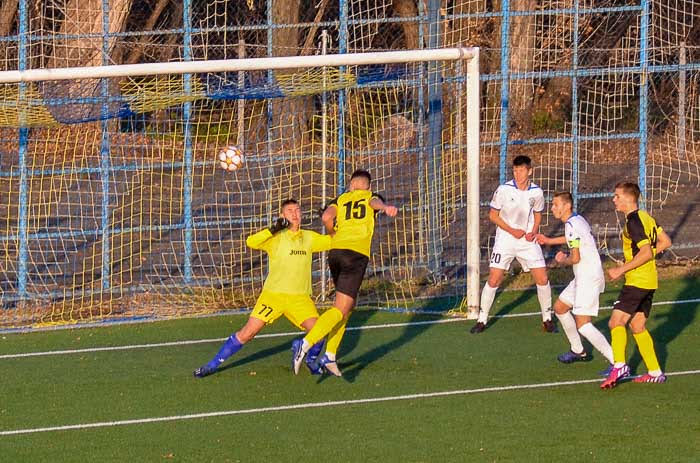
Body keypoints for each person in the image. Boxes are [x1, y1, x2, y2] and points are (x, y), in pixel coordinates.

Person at [193, 199, 330, 377]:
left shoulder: (309, 237)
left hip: (300, 298)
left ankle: (310, 361)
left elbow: (334, 241)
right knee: (247, 333)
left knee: (320, 331)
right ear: (282, 216)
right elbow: (251, 242)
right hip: (273, 297)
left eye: (297, 210)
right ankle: (211, 365)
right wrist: (273, 229)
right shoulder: (275, 238)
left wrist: (331, 221)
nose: (295, 214)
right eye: (290, 211)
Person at [290, 169, 398, 376]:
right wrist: (384, 207)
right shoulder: (370, 196)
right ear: (369, 187)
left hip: (336, 253)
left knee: (347, 308)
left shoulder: (341, 198)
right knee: (341, 308)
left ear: (350, 185)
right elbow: (373, 203)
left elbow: (326, 216)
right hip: (355, 255)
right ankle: (305, 343)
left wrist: (333, 232)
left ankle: (330, 355)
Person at [471, 155, 555, 334]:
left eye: (522, 170)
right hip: (506, 240)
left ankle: (547, 318)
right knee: (494, 278)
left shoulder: (537, 192)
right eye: (515, 170)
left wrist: (533, 230)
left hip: (527, 240)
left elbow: (538, 213)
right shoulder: (504, 189)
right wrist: (511, 230)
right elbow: (493, 215)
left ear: (530, 171)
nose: (518, 174)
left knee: (542, 278)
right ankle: (482, 319)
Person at [600, 182, 672, 388]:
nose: (614, 199)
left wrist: (622, 269)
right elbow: (665, 242)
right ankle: (655, 371)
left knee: (615, 322)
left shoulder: (633, 221)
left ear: (628, 198)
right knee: (637, 325)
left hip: (637, 280)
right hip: (650, 280)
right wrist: (636, 259)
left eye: (616, 196)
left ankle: (620, 365)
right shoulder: (647, 218)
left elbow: (647, 252)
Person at [536, 192, 614, 369]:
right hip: (583, 276)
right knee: (560, 308)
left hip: (588, 278)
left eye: (556, 205)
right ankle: (578, 350)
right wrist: (549, 240)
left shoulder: (571, 224)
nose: (552, 208)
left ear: (567, 206)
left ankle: (616, 362)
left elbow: (575, 258)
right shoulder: (576, 220)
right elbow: (573, 238)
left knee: (583, 325)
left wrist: (562, 259)